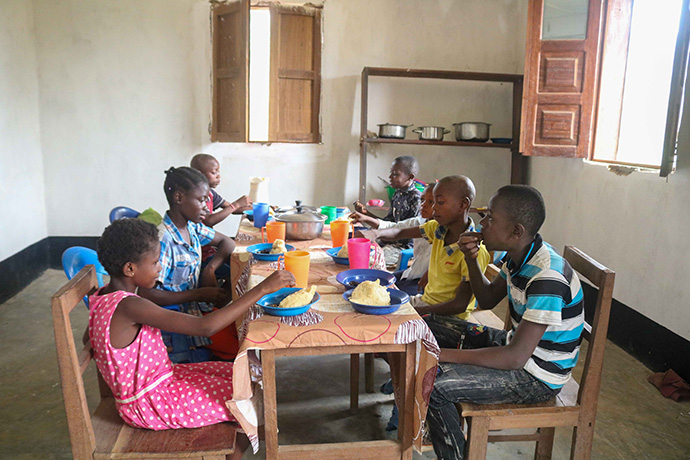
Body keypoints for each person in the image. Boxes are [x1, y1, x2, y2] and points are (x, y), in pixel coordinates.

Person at [90, 218, 295, 459]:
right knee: (244, 394)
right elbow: (204, 327)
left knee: (248, 372)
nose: (159, 268)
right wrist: (261, 290)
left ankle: (241, 441)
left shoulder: (104, 297)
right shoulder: (130, 305)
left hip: (160, 381)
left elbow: (93, 340)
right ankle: (235, 453)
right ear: (130, 269)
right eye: (155, 263)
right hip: (150, 403)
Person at [425, 185, 585, 460]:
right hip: (519, 349)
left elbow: (513, 359)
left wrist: (440, 357)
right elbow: (486, 299)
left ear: (516, 231)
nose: (483, 224)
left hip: (537, 375)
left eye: (490, 218)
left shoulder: (546, 276)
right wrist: (470, 258)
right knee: (431, 323)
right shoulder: (520, 256)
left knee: (435, 385)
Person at [138, 166, 237, 363]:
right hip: (177, 326)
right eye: (201, 200)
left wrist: (210, 268)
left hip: (196, 310)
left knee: (242, 327)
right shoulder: (163, 240)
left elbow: (228, 242)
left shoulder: (191, 228)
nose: (207, 208)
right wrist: (198, 293)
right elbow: (146, 294)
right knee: (240, 348)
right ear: (179, 198)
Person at [361, 175, 490, 320]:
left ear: (462, 205)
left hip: (447, 318)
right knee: (373, 301)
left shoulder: (473, 252)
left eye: (439, 202)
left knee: (382, 318)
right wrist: (375, 233)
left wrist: (417, 311)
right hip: (425, 302)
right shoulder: (437, 229)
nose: (434, 208)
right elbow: (400, 232)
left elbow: (459, 305)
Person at [353, 183, 435, 296]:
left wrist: (376, 233)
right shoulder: (420, 221)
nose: (423, 205)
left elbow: (398, 232)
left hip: (424, 282)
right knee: (372, 281)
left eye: (431, 202)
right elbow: (396, 228)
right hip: (412, 273)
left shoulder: (442, 230)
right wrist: (367, 220)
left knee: (386, 295)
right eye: (422, 200)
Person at [352, 156, 421, 262]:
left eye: (395, 174)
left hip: (403, 246)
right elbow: (388, 222)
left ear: (410, 176)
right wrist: (366, 214)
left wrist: (377, 233)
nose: (390, 177)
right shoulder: (397, 194)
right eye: (391, 173)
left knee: (369, 258)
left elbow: (405, 231)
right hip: (390, 239)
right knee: (356, 248)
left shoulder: (416, 198)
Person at [190, 153, 252, 266]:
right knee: (234, 268)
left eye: (218, 172)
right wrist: (236, 204)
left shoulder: (211, 194)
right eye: (214, 173)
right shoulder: (196, 197)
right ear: (199, 174)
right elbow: (209, 220)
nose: (218, 176)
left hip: (211, 248)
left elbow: (230, 208)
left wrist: (256, 208)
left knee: (242, 259)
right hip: (201, 254)